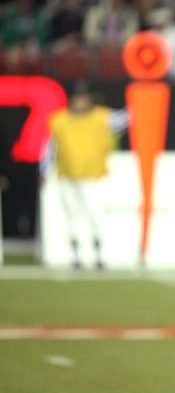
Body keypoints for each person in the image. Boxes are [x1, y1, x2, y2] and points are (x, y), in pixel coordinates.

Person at [43, 81, 128, 269]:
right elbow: (49, 147)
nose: (80, 102)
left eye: (84, 98)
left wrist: (140, 98)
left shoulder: (101, 117)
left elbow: (126, 118)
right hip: (67, 175)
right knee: (72, 216)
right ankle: (76, 256)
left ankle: (99, 256)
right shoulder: (59, 120)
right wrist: (43, 170)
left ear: (90, 99)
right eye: (77, 98)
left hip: (93, 177)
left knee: (95, 215)